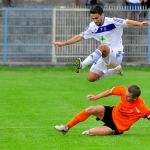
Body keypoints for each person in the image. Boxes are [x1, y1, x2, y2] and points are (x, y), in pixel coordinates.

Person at [54, 6, 150, 82]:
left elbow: (127, 21)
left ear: (102, 15)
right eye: (93, 18)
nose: (95, 20)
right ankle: (115, 70)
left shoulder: (113, 21)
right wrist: (63, 43)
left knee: (103, 46)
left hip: (116, 55)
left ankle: (81, 66)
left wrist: (140, 23)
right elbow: (80, 36)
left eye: (97, 18)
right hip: (104, 55)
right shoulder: (92, 26)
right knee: (91, 78)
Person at [54, 85, 150, 136]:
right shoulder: (124, 91)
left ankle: (110, 132)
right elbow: (110, 92)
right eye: (126, 94)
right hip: (111, 112)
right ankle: (66, 127)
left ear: (135, 98)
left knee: (90, 132)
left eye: (128, 97)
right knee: (90, 109)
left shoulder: (142, 107)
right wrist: (96, 97)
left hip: (117, 127)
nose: (125, 96)